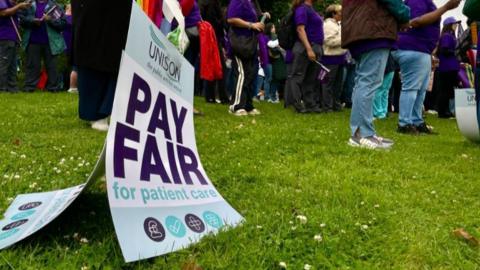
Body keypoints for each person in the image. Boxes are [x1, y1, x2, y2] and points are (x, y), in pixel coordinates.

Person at [342, 0, 410, 149]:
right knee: (368, 82)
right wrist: (405, 15)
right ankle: (362, 134)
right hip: (374, 30)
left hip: (361, 30)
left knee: (363, 82)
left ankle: (362, 132)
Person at [392, 0, 461, 135]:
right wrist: (446, 7)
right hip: (413, 47)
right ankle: (404, 123)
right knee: (411, 87)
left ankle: (416, 121)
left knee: (421, 89)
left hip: (420, 49)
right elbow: (416, 21)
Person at [71, 0, 132, 131]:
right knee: (91, 62)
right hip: (90, 19)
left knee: (115, 63)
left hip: (116, 20)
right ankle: (95, 113)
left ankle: (103, 113)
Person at [227, 0, 269, 116]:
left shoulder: (251, 2)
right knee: (242, 74)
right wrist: (251, 25)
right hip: (240, 42)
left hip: (251, 43)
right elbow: (231, 19)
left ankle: (248, 105)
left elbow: (254, 18)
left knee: (251, 74)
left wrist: (262, 17)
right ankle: (236, 106)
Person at [19, 0, 66, 92]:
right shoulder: (29, 4)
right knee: (32, 65)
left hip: (51, 42)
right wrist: (32, 21)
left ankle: (53, 88)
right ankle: (29, 87)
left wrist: (50, 20)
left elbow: (62, 24)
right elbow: (21, 19)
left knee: (52, 66)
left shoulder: (55, 6)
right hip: (32, 41)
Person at [288, 0, 324, 114]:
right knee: (297, 77)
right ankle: (298, 105)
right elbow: (300, 29)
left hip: (315, 46)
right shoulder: (302, 9)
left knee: (310, 78)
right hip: (305, 47)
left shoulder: (311, 9)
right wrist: (309, 49)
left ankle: (310, 104)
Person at [0, 0, 30, 92]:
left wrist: (21, 5)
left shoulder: (11, 3)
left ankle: (12, 87)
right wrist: (19, 6)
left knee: (13, 64)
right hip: (5, 36)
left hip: (13, 37)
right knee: (4, 63)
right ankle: (2, 88)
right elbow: (3, 13)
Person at [321, 4, 346, 112]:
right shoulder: (328, 25)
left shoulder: (337, 25)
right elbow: (329, 41)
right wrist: (344, 39)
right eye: (340, 12)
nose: (342, 14)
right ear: (333, 14)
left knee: (338, 84)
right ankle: (327, 106)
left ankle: (335, 104)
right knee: (327, 83)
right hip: (330, 58)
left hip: (340, 57)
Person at [436, 17, 461, 118]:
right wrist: (456, 52)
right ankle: (442, 112)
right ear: (449, 25)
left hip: (450, 67)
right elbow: (444, 50)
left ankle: (445, 110)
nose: (456, 26)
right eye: (454, 24)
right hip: (447, 67)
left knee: (448, 90)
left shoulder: (451, 36)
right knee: (445, 90)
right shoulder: (447, 36)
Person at [373, 53, 395, 119]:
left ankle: (378, 113)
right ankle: (383, 112)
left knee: (379, 90)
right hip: (391, 68)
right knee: (385, 91)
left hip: (386, 67)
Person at [63, 3, 77, 94]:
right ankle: (69, 85)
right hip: (69, 42)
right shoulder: (68, 18)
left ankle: (67, 85)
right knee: (71, 66)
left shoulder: (64, 17)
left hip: (69, 42)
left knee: (68, 66)